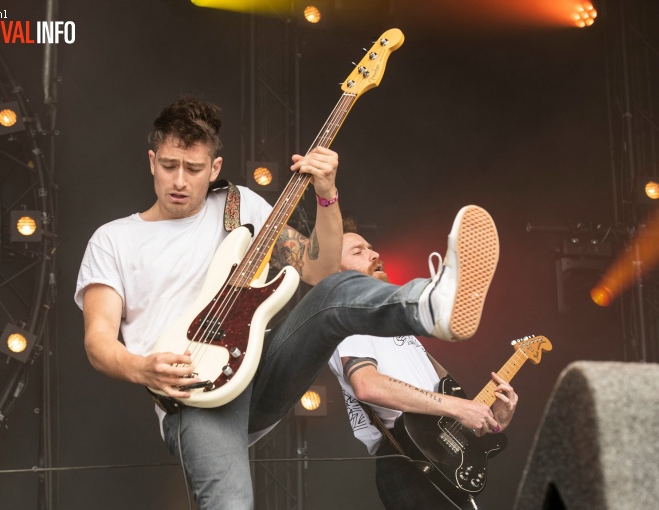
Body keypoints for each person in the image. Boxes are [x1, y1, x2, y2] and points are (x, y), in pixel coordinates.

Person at [74, 95, 500, 510]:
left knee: (335, 291)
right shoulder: (114, 240)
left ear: (215, 167)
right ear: (151, 161)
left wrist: (326, 193)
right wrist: (140, 367)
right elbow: (98, 341)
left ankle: (428, 305)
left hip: (258, 370)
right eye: (169, 166)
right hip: (193, 394)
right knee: (231, 504)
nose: (180, 180)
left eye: (194, 168)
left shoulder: (240, 205)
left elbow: (320, 269)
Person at [328, 219, 517, 510]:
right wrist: (456, 406)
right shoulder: (350, 319)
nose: (374, 253)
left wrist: (493, 420)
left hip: (436, 456)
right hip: (408, 460)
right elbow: (367, 385)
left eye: (370, 246)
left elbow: (443, 420)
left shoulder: (388, 325)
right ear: (335, 274)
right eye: (358, 251)